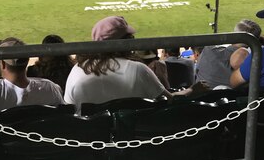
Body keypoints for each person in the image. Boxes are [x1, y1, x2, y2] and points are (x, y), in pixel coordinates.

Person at [64, 16, 206, 109]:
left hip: (92, 143)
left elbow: (69, 107)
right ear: (124, 42)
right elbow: (169, 100)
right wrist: (192, 90)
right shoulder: (138, 69)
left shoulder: (78, 69)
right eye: (129, 37)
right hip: (133, 142)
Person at [195, 19, 262, 89]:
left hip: (201, 98)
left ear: (234, 35)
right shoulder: (253, 63)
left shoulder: (208, 50)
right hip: (233, 99)